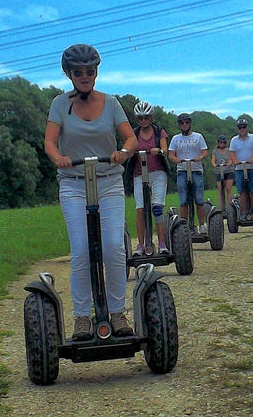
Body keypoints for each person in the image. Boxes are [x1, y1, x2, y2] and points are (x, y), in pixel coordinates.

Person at [43, 43, 137, 340]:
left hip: (108, 181)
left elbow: (131, 138)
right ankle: (82, 317)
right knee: (81, 251)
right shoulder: (60, 104)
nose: (85, 76)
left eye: (90, 71)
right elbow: (50, 141)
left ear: (96, 72)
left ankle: (118, 312)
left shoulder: (111, 103)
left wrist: (123, 152)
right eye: (79, 72)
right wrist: (58, 158)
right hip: (73, 183)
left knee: (113, 247)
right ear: (69, 74)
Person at [128, 101, 169, 256]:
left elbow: (165, 149)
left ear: (151, 117)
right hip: (139, 174)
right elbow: (129, 148)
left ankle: (162, 244)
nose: (143, 121)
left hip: (158, 172)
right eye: (140, 118)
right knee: (140, 209)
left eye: (146, 117)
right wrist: (128, 152)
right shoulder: (134, 133)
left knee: (157, 208)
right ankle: (140, 245)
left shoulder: (159, 132)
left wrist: (158, 150)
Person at [168, 113, 208, 239]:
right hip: (182, 171)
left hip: (196, 170)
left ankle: (201, 225)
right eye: (182, 123)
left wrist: (200, 157)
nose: (184, 125)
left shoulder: (198, 136)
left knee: (199, 199)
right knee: (183, 200)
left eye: (186, 122)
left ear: (190, 123)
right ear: (179, 125)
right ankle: (184, 227)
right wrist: (177, 160)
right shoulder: (175, 139)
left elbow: (205, 151)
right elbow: (171, 154)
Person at [229, 117, 253, 220]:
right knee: (242, 192)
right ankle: (244, 213)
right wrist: (235, 161)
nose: (242, 129)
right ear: (237, 128)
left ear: (247, 127)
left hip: (252, 168)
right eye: (240, 127)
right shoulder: (234, 140)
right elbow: (232, 153)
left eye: (244, 127)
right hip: (240, 169)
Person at [210, 135, 235, 212]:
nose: (222, 144)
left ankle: (230, 208)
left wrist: (229, 163)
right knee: (220, 190)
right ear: (218, 143)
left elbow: (231, 159)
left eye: (224, 142)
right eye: (221, 142)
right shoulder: (215, 151)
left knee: (228, 189)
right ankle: (220, 209)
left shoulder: (228, 150)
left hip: (228, 171)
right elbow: (213, 160)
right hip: (219, 171)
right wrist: (214, 165)